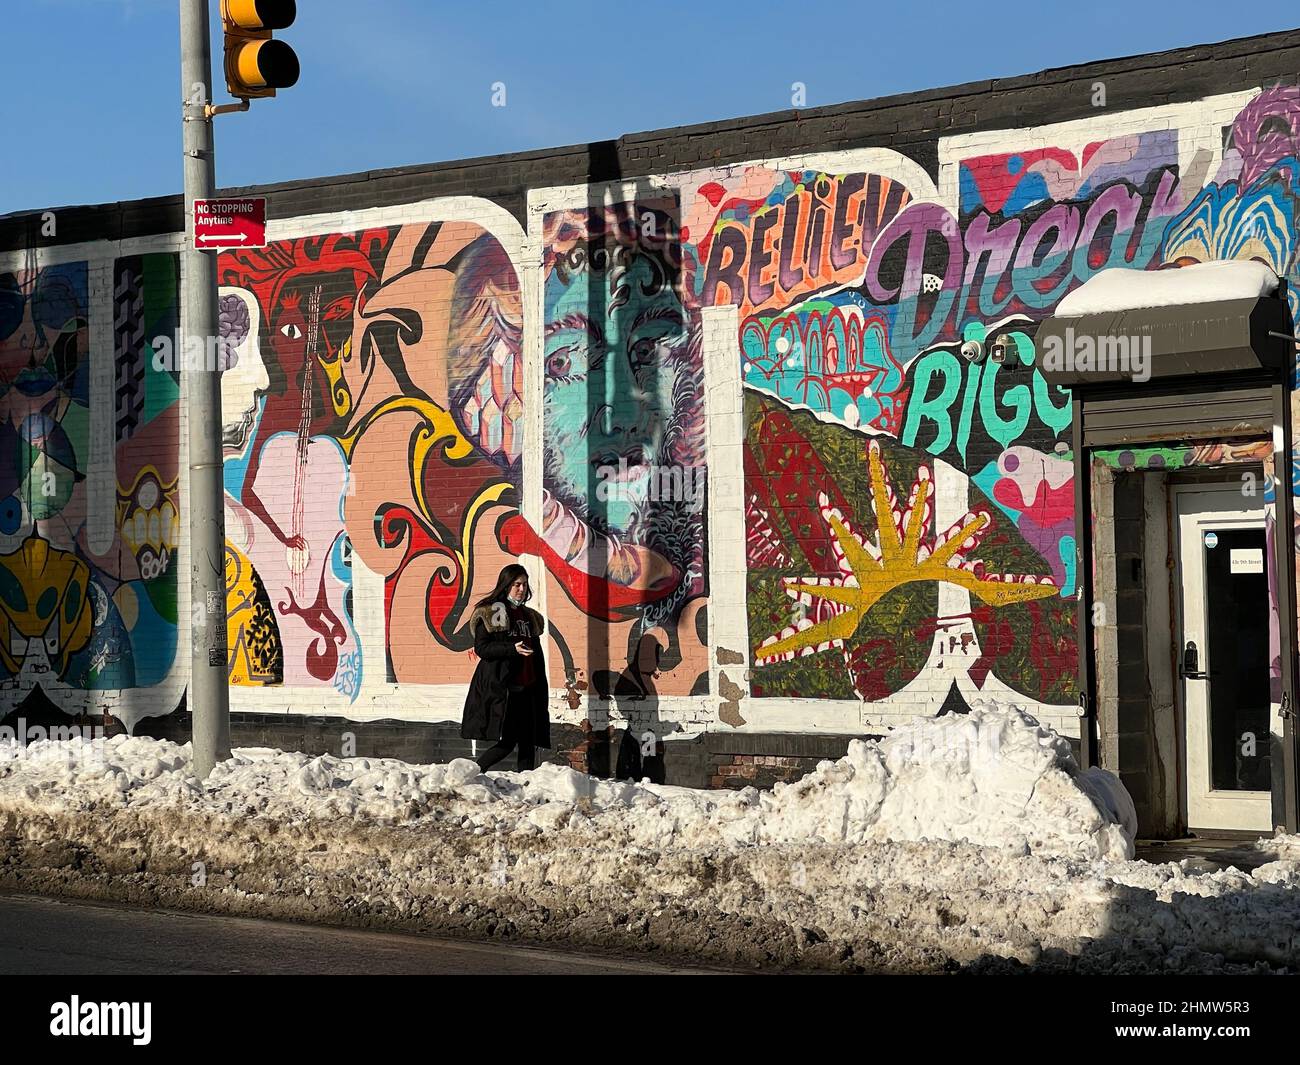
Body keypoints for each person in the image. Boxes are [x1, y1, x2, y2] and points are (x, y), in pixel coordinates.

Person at [462, 564, 550, 771]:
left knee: (528, 742)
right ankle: (472, 772)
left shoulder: (530, 616)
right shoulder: (493, 611)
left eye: (524, 585)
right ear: (506, 585)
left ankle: (527, 785)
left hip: (530, 686)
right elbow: (483, 648)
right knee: (508, 742)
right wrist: (512, 649)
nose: (521, 589)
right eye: (516, 584)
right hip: (507, 688)